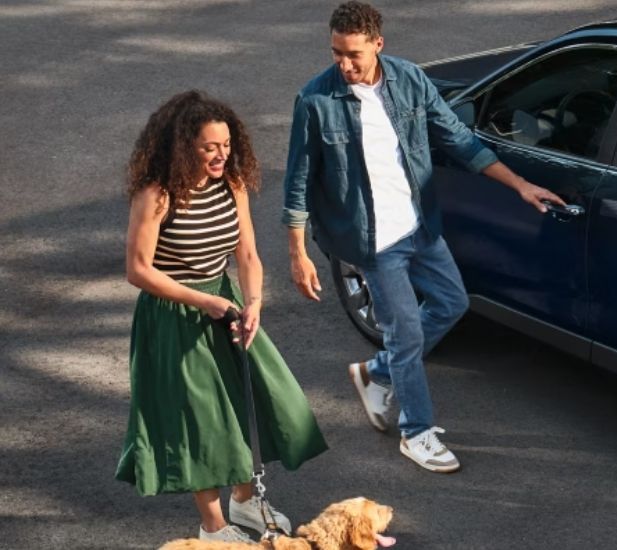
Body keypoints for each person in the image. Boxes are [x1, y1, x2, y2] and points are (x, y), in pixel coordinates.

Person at [282, 1, 562, 473]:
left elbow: (459, 140)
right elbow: (297, 181)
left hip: (419, 226)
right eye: (336, 53)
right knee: (407, 333)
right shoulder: (315, 101)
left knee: (453, 302)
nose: (344, 64)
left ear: (378, 44)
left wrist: (520, 186)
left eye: (353, 54)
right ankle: (416, 432)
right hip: (371, 241)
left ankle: (377, 372)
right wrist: (297, 254)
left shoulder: (410, 80)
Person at [118, 90, 328, 543]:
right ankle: (213, 528)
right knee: (203, 423)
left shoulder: (231, 185)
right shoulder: (156, 195)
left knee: (264, 401)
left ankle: (246, 500)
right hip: (174, 316)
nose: (220, 155)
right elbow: (137, 270)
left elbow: (248, 253)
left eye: (226, 145)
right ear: (182, 147)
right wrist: (204, 302)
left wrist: (253, 303)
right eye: (209, 147)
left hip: (226, 302)